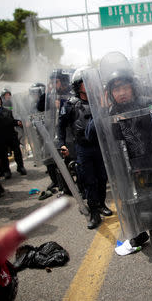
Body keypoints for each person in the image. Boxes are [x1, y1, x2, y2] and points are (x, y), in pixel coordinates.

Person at [86, 65, 152, 283]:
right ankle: (139, 235)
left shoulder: (146, 104)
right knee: (132, 211)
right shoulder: (109, 112)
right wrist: (100, 110)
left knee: (151, 215)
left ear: (133, 87)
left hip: (151, 169)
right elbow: (90, 135)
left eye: (125, 87)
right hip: (125, 173)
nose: (121, 92)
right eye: (116, 89)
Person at [58, 68, 111, 229]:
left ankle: (101, 204)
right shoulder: (71, 104)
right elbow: (61, 125)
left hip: (100, 147)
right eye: (84, 83)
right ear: (77, 85)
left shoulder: (99, 101)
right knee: (89, 181)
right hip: (83, 148)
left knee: (102, 178)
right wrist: (61, 143)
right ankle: (94, 212)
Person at [0, 93, 26, 179]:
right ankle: (7, 170)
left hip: (11, 135)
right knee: (3, 155)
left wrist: (17, 122)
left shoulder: (6, 110)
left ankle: (20, 167)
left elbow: (10, 121)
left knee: (17, 151)